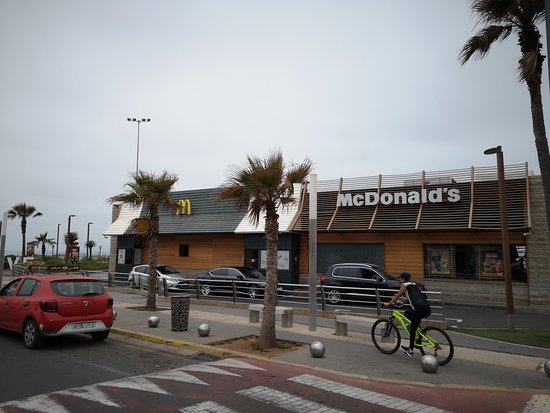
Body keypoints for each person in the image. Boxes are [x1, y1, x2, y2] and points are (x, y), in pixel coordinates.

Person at [384, 272, 431, 356]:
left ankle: (410, 349)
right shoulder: (414, 284)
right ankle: (418, 329)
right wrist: (404, 302)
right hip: (427, 308)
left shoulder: (404, 285)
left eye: (400, 278)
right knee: (407, 313)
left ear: (402, 279)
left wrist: (389, 303)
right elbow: (414, 297)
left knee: (412, 329)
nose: (400, 280)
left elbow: (397, 296)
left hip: (419, 309)